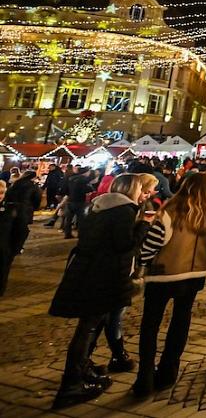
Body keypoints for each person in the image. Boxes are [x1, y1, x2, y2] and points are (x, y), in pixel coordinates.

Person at [48, 173, 157, 409]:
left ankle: (82, 370)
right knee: (87, 328)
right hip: (103, 275)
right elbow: (124, 245)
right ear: (132, 190)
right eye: (140, 190)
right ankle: (71, 384)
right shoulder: (124, 211)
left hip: (85, 270)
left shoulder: (98, 206)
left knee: (90, 325)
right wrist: (143, 227)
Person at [134, 171, 206, 398]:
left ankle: (145, 376)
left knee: (151, 324)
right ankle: (168, 370)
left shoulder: (171, 210)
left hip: (165, 273)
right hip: (195, 273)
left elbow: (154, 242)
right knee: (180, 321)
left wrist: (142, 261)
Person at [4, 168, 41, 256]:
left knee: (11, 228)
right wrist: (33, 208)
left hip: (11, 208)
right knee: (22, 230)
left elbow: (7, 195)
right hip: (24, 209)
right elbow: (37, 200)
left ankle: (9, 245)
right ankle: (17, 248)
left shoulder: (15, 184)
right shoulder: (33, 186)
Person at [0, 180, 16, 296]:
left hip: (3, 249)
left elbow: (20, 230)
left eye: (1, 193)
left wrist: (15, 249)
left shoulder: (10, 210)